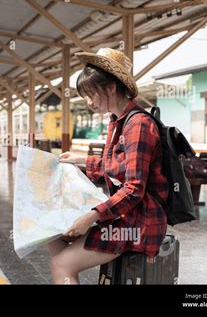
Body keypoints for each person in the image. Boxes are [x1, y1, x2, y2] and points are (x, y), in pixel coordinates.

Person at [49, 48, 168, 284]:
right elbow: (116, 165)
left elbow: (134, 188)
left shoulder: (139, 124)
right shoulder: (118, 122)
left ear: (111, 87)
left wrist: (92, 216)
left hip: (138, 224)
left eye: (91, 93)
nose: (87, 101)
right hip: (124, 216)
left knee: (60, 264)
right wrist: (79, 159)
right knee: (51, 235)